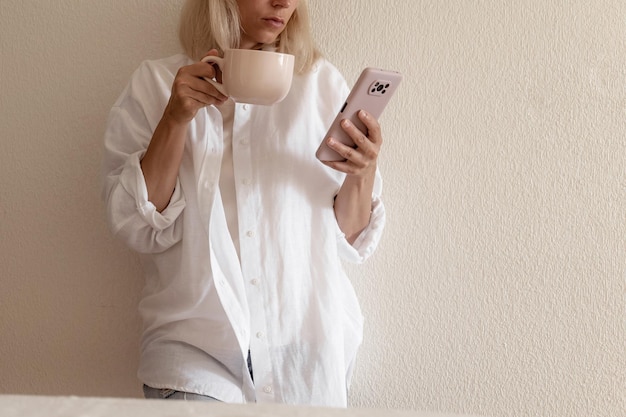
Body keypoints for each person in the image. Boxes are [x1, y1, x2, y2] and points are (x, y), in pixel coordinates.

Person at [101, 0, 386, 407]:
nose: (283, 3)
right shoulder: (158, 82)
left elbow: (351, 240)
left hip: (305, 354)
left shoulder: (321, 86)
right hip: (195, 353)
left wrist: (363, 170)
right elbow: (135, 224)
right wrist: (176, 118)